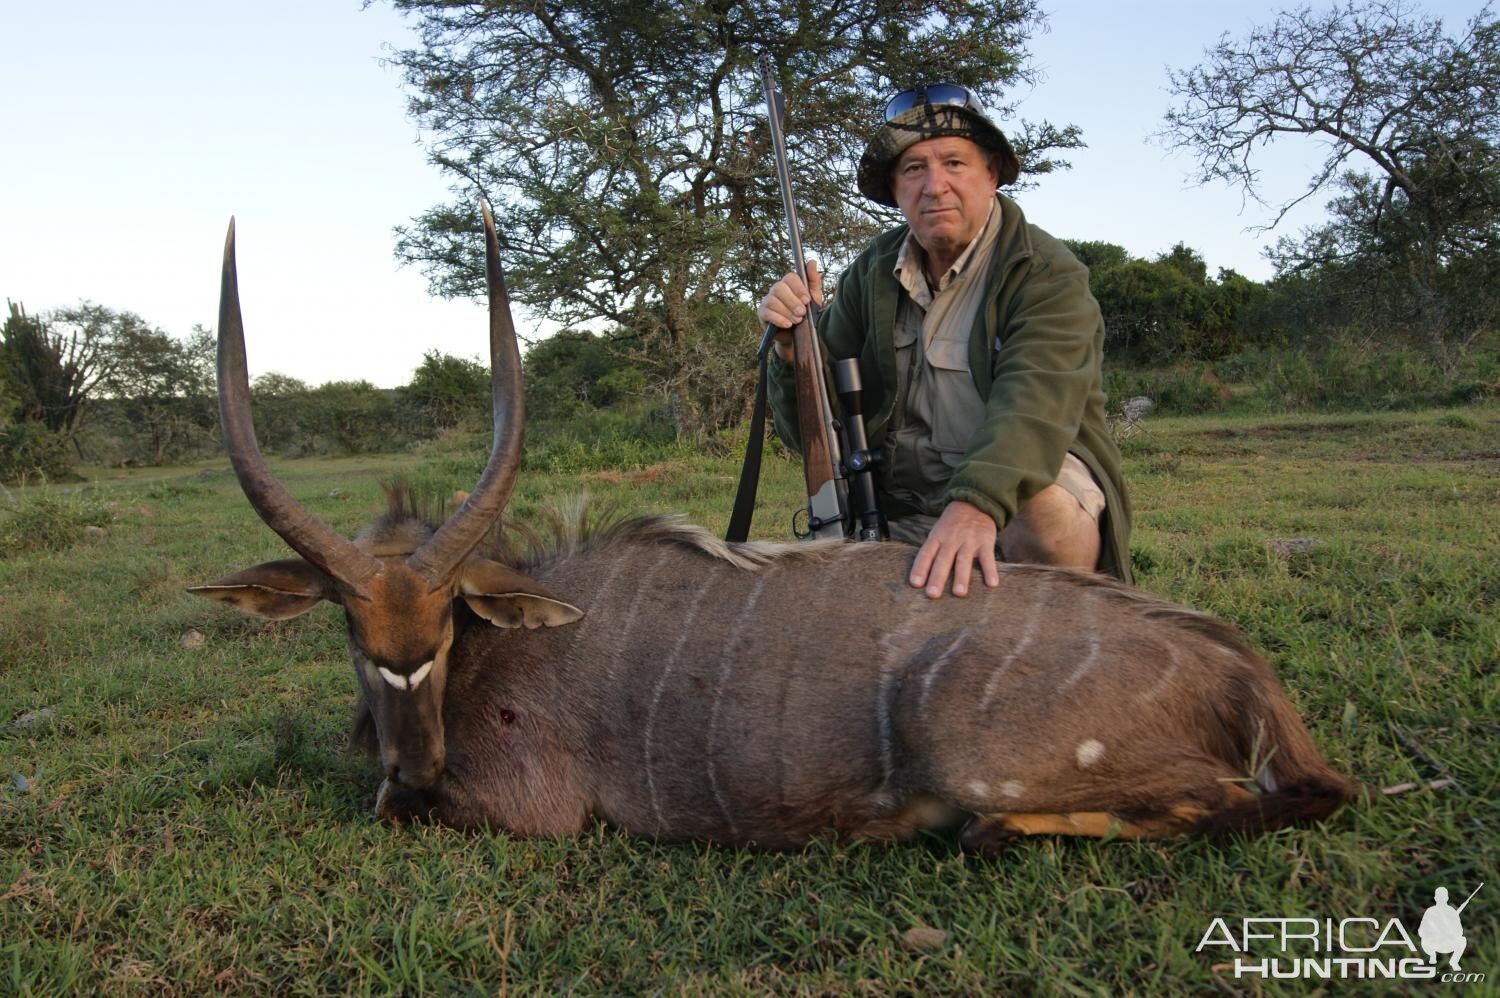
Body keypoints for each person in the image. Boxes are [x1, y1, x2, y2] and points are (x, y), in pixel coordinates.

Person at [758, 84, 1131, 598]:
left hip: (1010, 494)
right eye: (914, 169)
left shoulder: (1045, 273)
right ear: (895, 187)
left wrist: (975, 505)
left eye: (954, 163)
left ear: (992, 174)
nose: (935, 186)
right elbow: (816, 431)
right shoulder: (871, 271)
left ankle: (1064, 632)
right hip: (902, 506)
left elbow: (1034, 409)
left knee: (1044, 517)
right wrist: (788, 349)